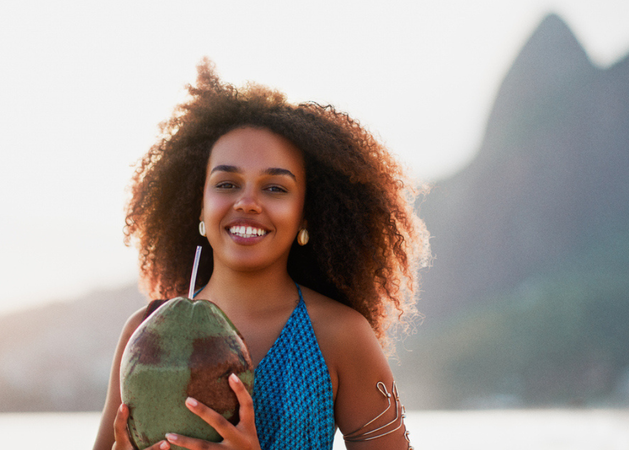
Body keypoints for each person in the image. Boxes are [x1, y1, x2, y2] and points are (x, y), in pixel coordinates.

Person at [93, 58, 430, 450]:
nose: (247, 202)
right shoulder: (143, 332)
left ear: (306, 213)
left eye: (275, 188)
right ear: (198, 206)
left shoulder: (340, 336)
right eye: (227, 184)